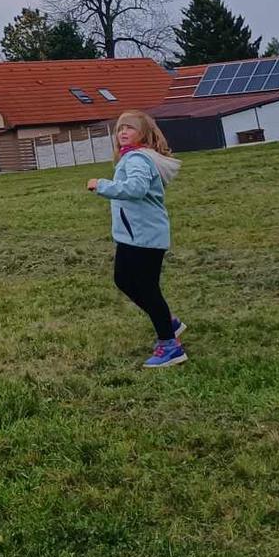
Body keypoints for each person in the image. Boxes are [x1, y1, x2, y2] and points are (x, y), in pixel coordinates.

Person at [87, 110, 186, 368]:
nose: (122, 132)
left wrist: (102, 185)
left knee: (146, 287)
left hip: (143, 237)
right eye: (120, 128)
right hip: (133, 235)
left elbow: (136, 189)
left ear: (143, 133)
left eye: (129, 128)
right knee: (123, 279)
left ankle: (170, 345)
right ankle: (169, 323)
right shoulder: (132, 157)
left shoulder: (137, 160)